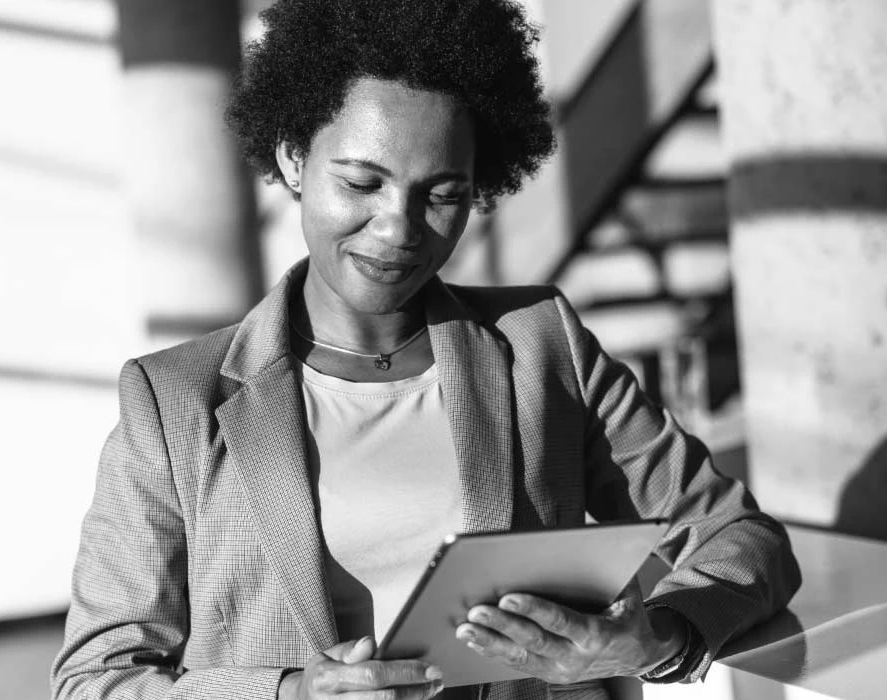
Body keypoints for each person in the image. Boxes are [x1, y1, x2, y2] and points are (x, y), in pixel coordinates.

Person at [51, 1, 801, 698]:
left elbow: (741, 536)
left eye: (441, 193)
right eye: (362, 182)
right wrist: (288, 694)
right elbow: (95, 679)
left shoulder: (543, 346)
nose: (398, 227)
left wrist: (652, 642)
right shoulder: (176, 402)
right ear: (290, 160)